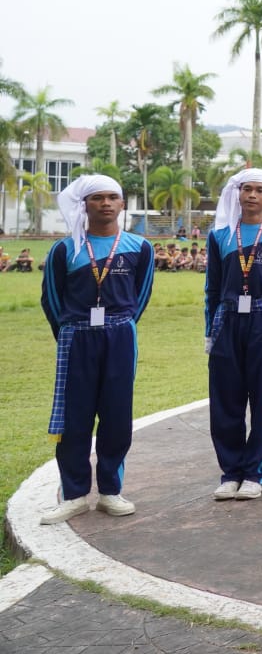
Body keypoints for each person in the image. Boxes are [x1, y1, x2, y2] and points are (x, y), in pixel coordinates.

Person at [38, 176, 155, 525]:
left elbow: (140, 295)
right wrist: (70, 332)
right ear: (83, 205)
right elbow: (52, 299)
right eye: (97, 198)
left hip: (120, 336)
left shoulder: (139, 247)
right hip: (76, 337)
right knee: (75, 417)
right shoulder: (66, 249)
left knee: (117, 415)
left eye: (112, 198)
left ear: (122, 205)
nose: (105, 204)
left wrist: (120, 326)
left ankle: (110, 491)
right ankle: (73, 494)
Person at [204, 168, 262, 501]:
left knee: (261, 399)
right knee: (225, 399)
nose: (253, 195)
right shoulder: (220, 235)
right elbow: (212, 287)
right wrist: (208, 331)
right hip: (227, 319)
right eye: (247, 189)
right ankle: (230, 472)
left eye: (260, 190)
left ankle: (255, 473)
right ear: (237, 194)